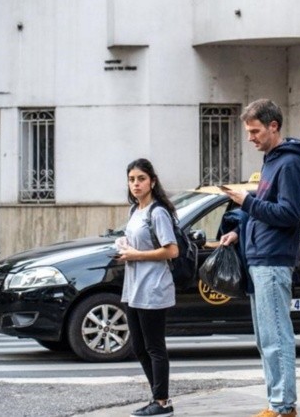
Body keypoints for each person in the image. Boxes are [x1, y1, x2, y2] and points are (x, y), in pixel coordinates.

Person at [219, 99, 300, 417]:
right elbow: (267, 209)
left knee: (276, 336)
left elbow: (288, 214)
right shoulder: (272, 161)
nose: (250, 137)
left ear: (274, 126)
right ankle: (278, 402)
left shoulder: (289, 164)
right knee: (265, 337)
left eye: (255, 131)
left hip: (273, 258)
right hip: (259, 256)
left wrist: (247, 202)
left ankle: (283, 405)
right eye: (248, 131)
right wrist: (239, 230)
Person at [117, 158, 178, 417]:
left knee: (155, 347)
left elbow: (171, 250)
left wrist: (135, 255)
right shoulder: (135, 211)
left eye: (141, 179)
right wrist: (123, 245)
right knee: (139, 347)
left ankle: (162, 402)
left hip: (153, 287)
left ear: (152, 181)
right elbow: (136, 244)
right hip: (133, 288)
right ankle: (156, 397)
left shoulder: (158, 212)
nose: (136, 184)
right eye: (131, 180)